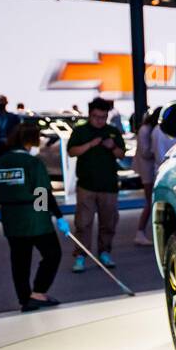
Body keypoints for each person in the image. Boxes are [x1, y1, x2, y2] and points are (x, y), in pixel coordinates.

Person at [0, 122, 67, 311]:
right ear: (31, 139)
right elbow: (42, 191)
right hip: (34, 219)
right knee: (52, 254)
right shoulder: (32, 162)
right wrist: (54, 215)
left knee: (19, 260)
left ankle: (25, 298)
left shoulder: (1, 161)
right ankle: (38, 292)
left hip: (11, 217)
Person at [66, 97, 124, 272]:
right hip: (86, 185)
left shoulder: (113, 131)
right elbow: (71, 151)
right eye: (96, 117)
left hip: (109, 186)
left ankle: (105, 252)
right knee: (83, 223)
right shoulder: (80, 131)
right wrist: (90, 145)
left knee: (109, 222)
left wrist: (112, 147)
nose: (100, 121)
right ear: (90, 115)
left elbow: (121, 155)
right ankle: (81, 256)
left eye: (103, 117)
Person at [133, 108, 159, 246]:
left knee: (150, 202)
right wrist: (155, 152)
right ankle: (140, 231)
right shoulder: (146, 130)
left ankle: (141, 231)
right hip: (147, 170)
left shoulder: (148, 129)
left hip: (147, 169)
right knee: (149, 202)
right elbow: (145, 152)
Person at [0, 94, 21, 162]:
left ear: (6, 102)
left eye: (2, 101)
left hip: (10, 146)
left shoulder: (13, 117)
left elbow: (17, 132)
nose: (0, 103)